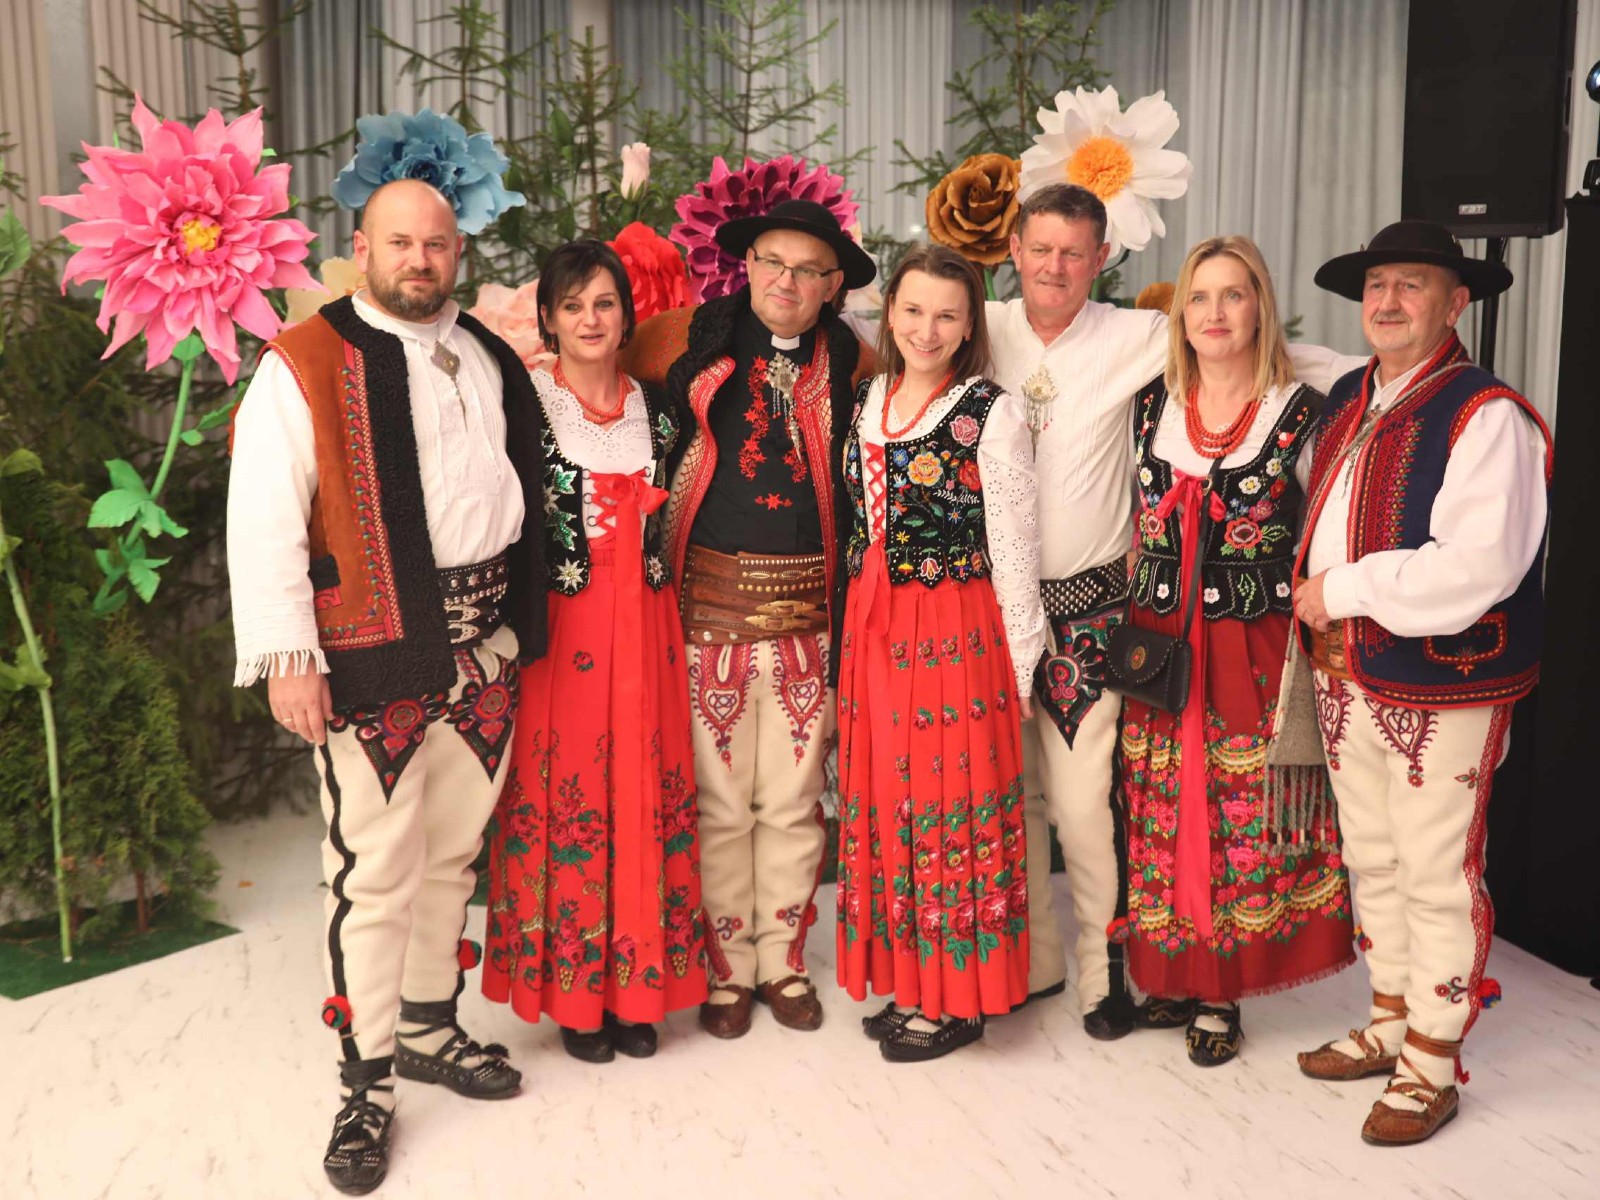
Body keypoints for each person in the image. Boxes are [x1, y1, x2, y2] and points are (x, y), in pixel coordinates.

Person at [227, 178, 545, 1195]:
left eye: (437, 244)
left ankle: (428, 1029)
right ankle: (364, 1085)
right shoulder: (306, 360)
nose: (419, 260)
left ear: (460, 253)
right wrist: (289, 656)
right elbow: (264, 515)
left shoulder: (488, 351)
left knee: (451, 858)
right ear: (361, 247)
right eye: (399, 242)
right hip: (372, 655)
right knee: (372, 875)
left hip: (483, 648)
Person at [989, 183, 1361, 1040]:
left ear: (1101, 260)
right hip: (1111, 627)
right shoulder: (994, 330)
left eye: (1074, 252)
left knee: (1121, 809)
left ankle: (1142, 981)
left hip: (1156, 627)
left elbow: (1325, 393)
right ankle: (1067, 967)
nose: (1054, 266)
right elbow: (904, 335)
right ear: (1013, 251)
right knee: (1121, 806)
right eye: (1040, 249)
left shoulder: (1143, 341)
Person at [1292, 220, 1551, 1145]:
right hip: (1346, 672)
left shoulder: (1487, 414)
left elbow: (1477, 566)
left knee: (1438, 870)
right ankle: (1391, 1021)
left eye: (1412, 284)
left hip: (1444, 681)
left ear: (1457, 302)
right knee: (1373, 857)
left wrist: (1339, 590)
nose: (1389, 301)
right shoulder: (1352, 395)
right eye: (1377, 285)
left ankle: (1433, 1064)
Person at [620, 199, 877, 1038]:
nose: (785, 282)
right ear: (748, 265)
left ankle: (783, 962)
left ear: (833, 286)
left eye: (807, 270)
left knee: (795, 804)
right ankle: (727, 968)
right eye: (772, 262)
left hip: (812, 618)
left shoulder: (857, 364)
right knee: (721, 804)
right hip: (707, 615)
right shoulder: (685, 344)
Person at [1119, 235, 1355, 1066]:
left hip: (1247, 644)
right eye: (1200, 296)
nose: (1215, 313)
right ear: (1180, 314)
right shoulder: (1151, 406)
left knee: (1238, 809)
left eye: (1234, 295)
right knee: (1160, 807)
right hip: (1158, 643)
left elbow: (1328, 533)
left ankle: (1221, 990)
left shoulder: (1300, 411)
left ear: (1260, 307)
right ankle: (1175, 970)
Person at [479, 240, 707, 1062]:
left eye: (604, 303)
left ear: (626, 315)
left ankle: (637, 993)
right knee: (568, 795)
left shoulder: (661, 412)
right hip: (563, 631)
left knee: (642, 792)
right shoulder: (524, 408)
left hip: (648, 627)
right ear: (546, 318)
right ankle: (577, 1000)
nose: (589, 319)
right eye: (572, 305)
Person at [835, 244, 1045, 1061]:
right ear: (890, 313)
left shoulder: (990, 412)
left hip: (954, 630)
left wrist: (1021, 665)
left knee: (946, 801)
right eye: (914, 310)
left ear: (969, 327)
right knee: (890, 800)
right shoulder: (869, 398)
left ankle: (959, 997)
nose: (927, 329)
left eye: (947, 315)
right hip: (875, 626)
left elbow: (1015, 550)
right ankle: (913, 981)